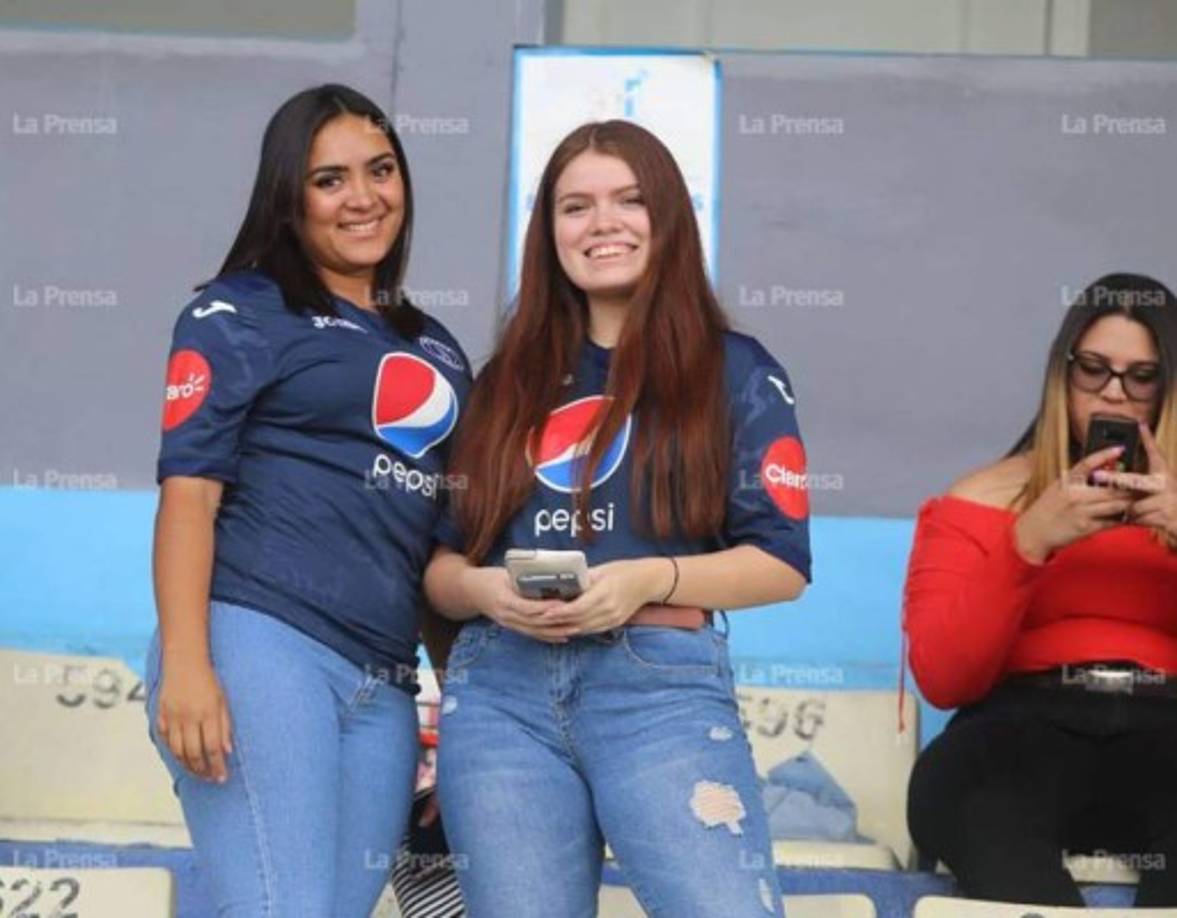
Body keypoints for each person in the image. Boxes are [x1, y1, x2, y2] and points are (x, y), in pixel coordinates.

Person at [422, 120, 812, 918]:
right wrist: (488, 593)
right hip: (498, 693)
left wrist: (648, 578)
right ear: (548, 233)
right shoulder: (501, 383)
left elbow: (781, 563)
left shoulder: (734, 370)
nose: (602, 223)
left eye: (629, 200)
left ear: (667, 217)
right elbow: (440, 569)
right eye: (575, 206)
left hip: (658, 688)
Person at [145, 84, 471, 918]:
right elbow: (188, 498)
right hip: (260, 648)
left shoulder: (438, 348)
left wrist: (461, 716)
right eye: (330, 180)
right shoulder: (237, 311)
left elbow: (436, 550)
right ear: (288, 198)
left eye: (381, 169)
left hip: (384, 693)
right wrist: (188, 663)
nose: (363, 197)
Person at [903, 273, 1177, 907]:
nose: (1115, 393)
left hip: (1168, 725)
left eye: (1142, 376)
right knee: (968, 794)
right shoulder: (982, 497)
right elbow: (945, 679)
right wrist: (1027, 542)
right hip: (1023, 726)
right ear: (1062, 375)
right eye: (1093, 370)